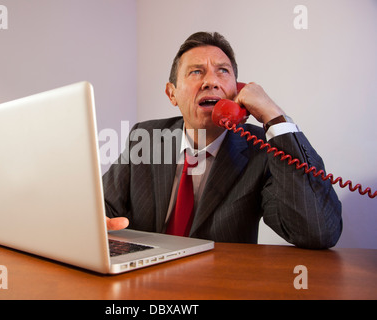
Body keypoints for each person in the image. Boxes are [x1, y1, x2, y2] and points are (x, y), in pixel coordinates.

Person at [103, 31, 342, 249]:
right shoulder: (145, 138)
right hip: (146, 281)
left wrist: (274, 117)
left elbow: (317, 232)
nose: (211, 82)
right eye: (196, 71)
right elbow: (102, 205)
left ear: (237, 91)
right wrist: (96, 221)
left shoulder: (261, 150)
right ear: (171, 93)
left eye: (223, 71)